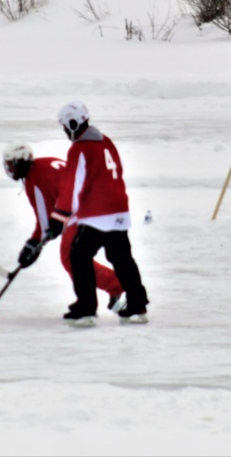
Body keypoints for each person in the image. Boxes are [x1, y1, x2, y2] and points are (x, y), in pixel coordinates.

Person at [48, 102, 149, 326]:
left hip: (96, 214)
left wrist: (60, 217)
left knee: (78, 257)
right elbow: (118, 171)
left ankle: (86, 309)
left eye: (66, 127)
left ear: (73, 124)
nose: (66, 132)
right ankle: (137, 304)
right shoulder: (106, 141)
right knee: (122, 258)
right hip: (119, 210)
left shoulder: (79, 149)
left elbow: (72, 186)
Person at [5, 142, 127, 313]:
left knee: (71, 258)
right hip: (99, 202)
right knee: (76, 257)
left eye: (12, 164)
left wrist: (33, 244)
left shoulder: (34, 180)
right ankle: (103, 292)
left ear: (22, 162)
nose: (10, 170)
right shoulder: (45, 163)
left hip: (85, 209)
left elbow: (45, 222)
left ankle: (116, 286)